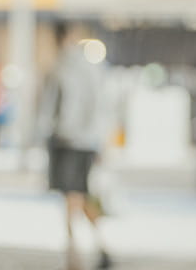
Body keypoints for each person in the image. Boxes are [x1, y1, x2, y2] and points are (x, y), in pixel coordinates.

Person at [38, 22, 115, 270]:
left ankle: (74, 256)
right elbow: (103, 106)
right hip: (88, 143)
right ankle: (100, 247)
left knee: (71, 198)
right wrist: (101, 143)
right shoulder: (93, 68)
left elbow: (46, 111)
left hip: (66, 142)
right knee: (81, 197)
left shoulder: (59, 68)